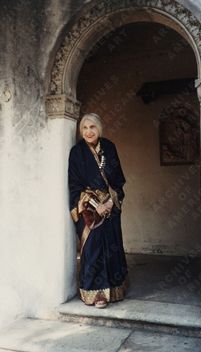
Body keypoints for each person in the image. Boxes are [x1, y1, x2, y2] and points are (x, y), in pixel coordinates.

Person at [68, 113, 128, 308]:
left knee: (112, 247)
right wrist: (96, 206)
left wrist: (110, 202)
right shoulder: (77, 153)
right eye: (84, 128)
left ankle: (115, 287)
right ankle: (96, 293)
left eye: (92, 127)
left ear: (99, 128)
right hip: (89, 210)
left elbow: (119, 181)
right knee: (93, 249)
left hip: (110, 206)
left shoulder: (109, 148)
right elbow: (74, 186)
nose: (88, 132)